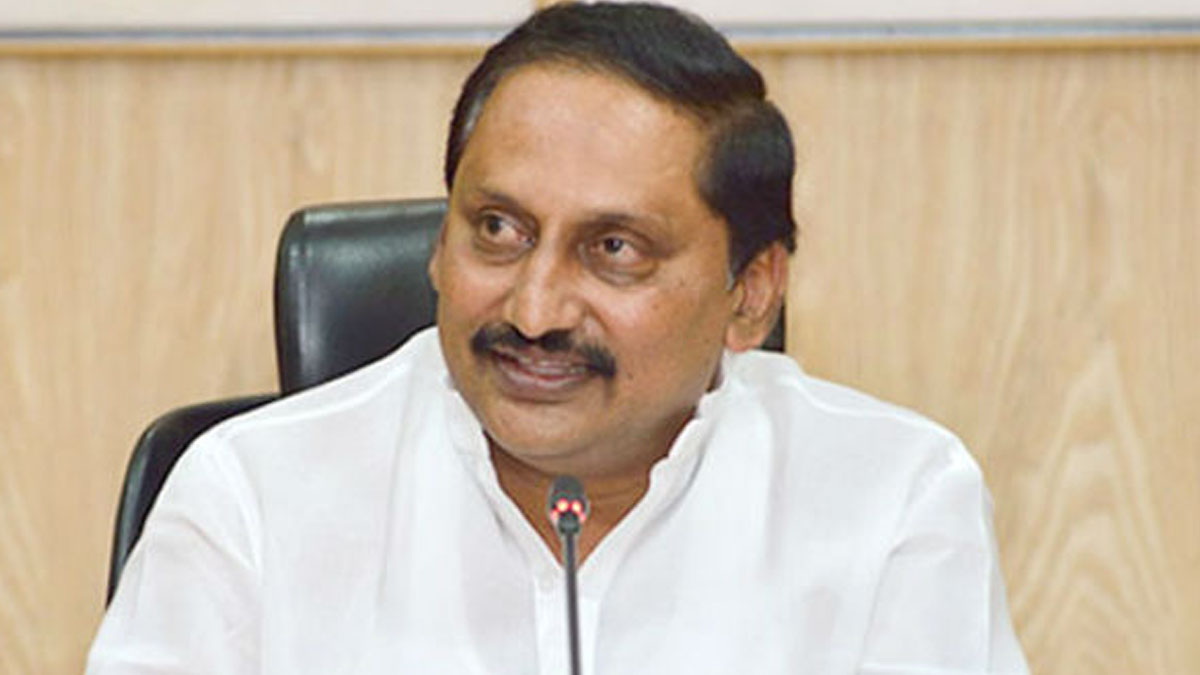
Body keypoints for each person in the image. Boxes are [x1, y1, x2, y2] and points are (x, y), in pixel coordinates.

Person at [88, 3, 1029, 674]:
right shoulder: (253, 498)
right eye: (498, 229)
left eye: (614, 250)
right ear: (440, 242)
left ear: (751, 293)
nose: (535, 310)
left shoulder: (895, 502)